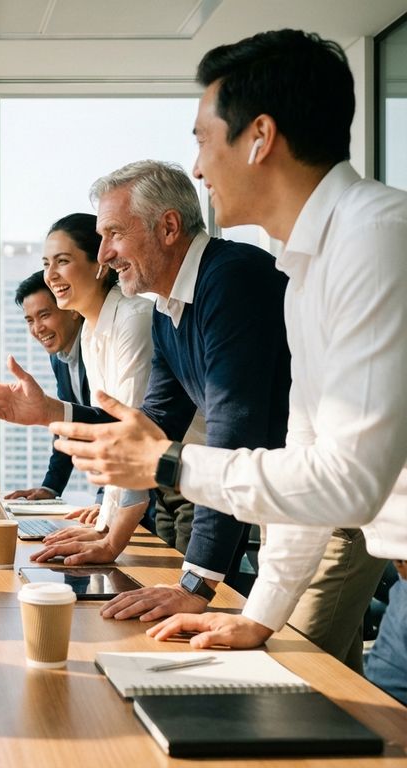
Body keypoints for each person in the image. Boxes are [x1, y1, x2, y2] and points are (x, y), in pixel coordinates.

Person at [54, 30, 407, 702]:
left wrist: (165, 465)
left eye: (202, 139)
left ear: (259, 137)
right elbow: (306, 455)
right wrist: (256, 615)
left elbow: (350, 482)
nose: (197, 167)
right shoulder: (304, 273)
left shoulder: (375, 239)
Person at [42, 161, 294, 616]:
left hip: (327, 509)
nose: (103, 255)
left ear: (169, 227)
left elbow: (232, 439)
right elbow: (154, 422)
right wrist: (48, 413)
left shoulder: (232, 279)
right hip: (278, 501)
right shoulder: (166, 307)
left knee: (312, 670)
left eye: (114, 234)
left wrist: (195, 584)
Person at [0, 215, 155, 548]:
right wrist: (103, 524)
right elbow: (108, 433)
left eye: (62, 262)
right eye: (45, 264)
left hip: (186, 484)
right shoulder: (91, 335)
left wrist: (108, 537)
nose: (50, 275)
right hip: (147, 487)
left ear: (100, 264)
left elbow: (128, 440)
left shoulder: (133, 320)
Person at [4, 271, 94, 513]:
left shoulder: (97, 346)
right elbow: (65, 423)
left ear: (71, 308)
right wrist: (51, 488)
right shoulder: (60, 358)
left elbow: (116, 427)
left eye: (44, 315)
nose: (37, 328)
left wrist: (104, 502)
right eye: (29, 320)